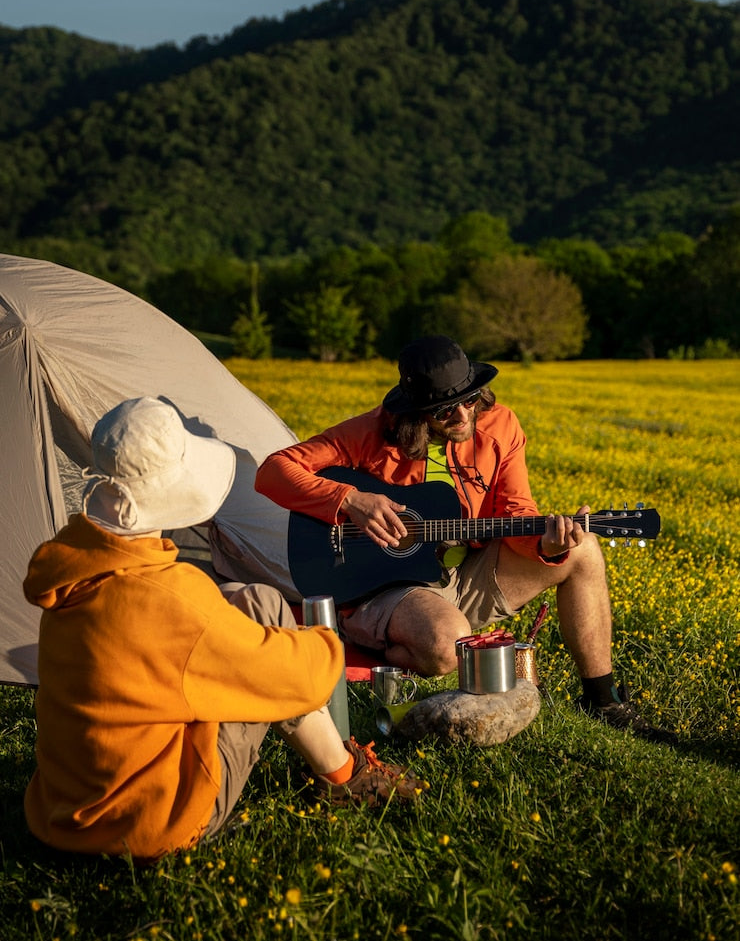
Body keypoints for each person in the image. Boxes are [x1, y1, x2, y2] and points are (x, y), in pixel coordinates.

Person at [23, 397, 422, 864]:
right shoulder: (173, 600)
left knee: (258, 602)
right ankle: (343, 777)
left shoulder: (73, 570)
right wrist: (325, 640)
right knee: (272, 657)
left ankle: (337, 767)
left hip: (62, 815)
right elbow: (302, 680)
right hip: (150, 826)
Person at [254, 335, 676, 744]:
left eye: (469, 400)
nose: (461, 416)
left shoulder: (502, 426)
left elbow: (517, 514)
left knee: (582, 550)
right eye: (443, 411)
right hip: (386, 586)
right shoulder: (367, 434)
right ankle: (390, 641)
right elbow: (272, 471)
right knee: (445, 648)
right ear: (416, 413)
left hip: (464, 573)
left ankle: (602, 701)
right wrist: (350, 499)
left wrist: (548, 548)